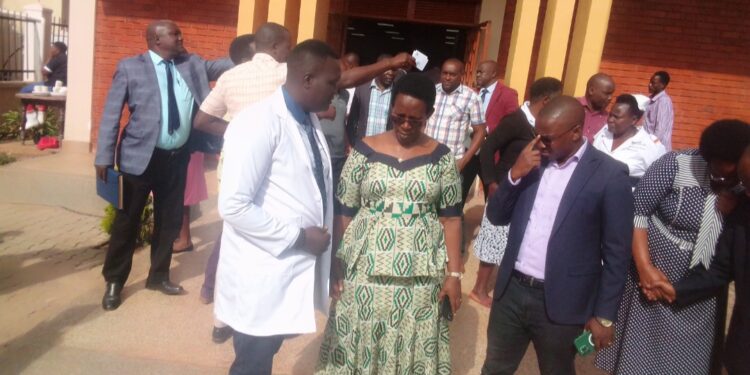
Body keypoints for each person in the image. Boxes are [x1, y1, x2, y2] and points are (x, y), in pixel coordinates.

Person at [315, 73, 463, 374]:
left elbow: (451, 218)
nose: (406, 126)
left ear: (429, 116)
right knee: (358, 327)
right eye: (399, 117)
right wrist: (337, 261)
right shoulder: (364, 151)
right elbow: (344, 209)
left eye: (415, 120)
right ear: (390, 110)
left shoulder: (442, 158)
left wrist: (454, 274)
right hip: (365, 267)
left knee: (414, 334)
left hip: (420, 273)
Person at [481, 96, 634, 375]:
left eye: (548, 138)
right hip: (511, 292)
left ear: (576, 131)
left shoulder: (610, 176)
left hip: (563, 302)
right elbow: (497, 216)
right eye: (537, 135)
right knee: (495, 368)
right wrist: (515, 173)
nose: (540, 143)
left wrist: (605, 315)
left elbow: (617, 254)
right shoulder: (531, 162)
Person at [216, 40, 339, 375]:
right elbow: (233, 205)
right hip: (261, 270)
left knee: (263, 353)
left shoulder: (307, 119)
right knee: (252, 363)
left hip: (285, 269)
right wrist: (299, 238)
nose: (337, 90)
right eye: (332, 82)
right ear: (308, 79)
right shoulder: (258, 121)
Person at [93, 20, 233, 311]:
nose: (182, 37)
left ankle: (158, 276)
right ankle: (115, 281)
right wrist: (104, 156)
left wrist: (255, 54)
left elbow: (221, 66)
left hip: (176, 156)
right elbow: (111, 113)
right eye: (175, 33)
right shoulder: (130, 67)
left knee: (168, 221)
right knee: (127, 221)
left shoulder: (191, 63)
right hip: (138, 158)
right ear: (157, 40)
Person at [596, 120, 750, 374]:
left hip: (702, 290)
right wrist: (645, 269)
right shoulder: (676, 165)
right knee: (641, 358)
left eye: (729, 177)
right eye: (715, 172)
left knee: (689, 362)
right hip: (653, 281)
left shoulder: (743, 189)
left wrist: (733, 212)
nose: (721, 180)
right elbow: (638, 210)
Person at [649, 135, 750, 375]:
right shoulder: (742, 216)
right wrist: (677, 290)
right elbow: (720, 270)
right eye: (745, 185)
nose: (746, 194)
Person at [469, 77, 562, 308]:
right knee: (494, 238)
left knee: (513, 239)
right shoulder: (516, 121)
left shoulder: (541, 124)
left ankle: (503, 286)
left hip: (526, 190)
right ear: (547, 99)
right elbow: (488, 148)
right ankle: (479, 290)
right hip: (504, 187)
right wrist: (490, 181)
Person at [425, 58, 485, 203]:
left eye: (452, 74)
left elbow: (480, 132)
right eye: (445, 73)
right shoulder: (431, 91)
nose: (447, 77)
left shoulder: (471, 97)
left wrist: (464, 161)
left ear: (461, 75)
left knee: (447, 210)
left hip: (451, 163)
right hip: (426, 159)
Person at [592, 94, 666, 187]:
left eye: (616, 117)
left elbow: (658, 183)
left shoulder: (650, 146)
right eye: (610, 115)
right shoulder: (603, 133)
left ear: (633, 120)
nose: (610, 120)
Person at [346, 54, 395, 141]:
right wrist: (351, 142)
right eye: (387, 69)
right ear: (378, 69)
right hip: (363, 145)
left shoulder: (397, 92)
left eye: (393, 69)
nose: (390, 73)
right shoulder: (362, 88)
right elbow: (353, 118)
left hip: (385, 147)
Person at [579, 73, 615, 143]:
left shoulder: (608, 119)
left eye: (611, 94)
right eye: (606, 93)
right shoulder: (572, 108)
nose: (610, 98)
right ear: (591, 91)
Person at [644, 70, 675, 150]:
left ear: (662, 85)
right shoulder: (651, 100)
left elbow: (660, 130)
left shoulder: (663, 101)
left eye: (653, 83)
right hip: (649, 145)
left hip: (658, 149)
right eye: (650, 82)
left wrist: (653, 147)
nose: (649, 85)